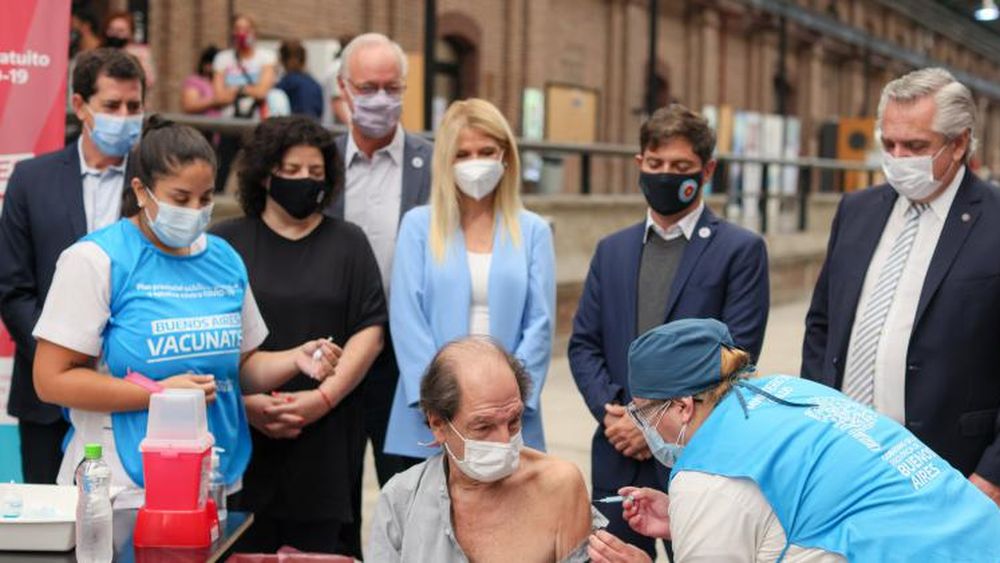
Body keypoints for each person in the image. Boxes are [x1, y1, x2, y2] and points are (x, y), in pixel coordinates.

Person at [30, 118, 341, 507]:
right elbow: (50, 380)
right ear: (142, 191)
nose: (195, 210)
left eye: (206, 198)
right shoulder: (95, 260)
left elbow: (239, 369)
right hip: (121, 484)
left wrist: (295, 359)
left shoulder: (223, 259)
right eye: (180, 198)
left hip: (213, 478)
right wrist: (159, 394)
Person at [586, 318, 1000, 562]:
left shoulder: (706, 476)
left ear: (681, 407)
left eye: (644, 412)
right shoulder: (788, 390)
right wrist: (687, 518)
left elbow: (729, 498)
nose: (642, 425)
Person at [568, 103, 769, 557]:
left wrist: (653, 427)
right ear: (639, 164)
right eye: (654, 165)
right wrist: (620, 417)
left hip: (696, 454)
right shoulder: (612, 251)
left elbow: (734, 355)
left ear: (707, 170)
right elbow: (584, 344)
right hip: (618, 450)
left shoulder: (740, 250)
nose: (664, 175)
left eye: (679, 167)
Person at [802, 67, 1000, 506]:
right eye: (888, 144)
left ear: (961, 142)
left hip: (952, 471)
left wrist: (992, 476)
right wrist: (814, 423)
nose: (898, 157)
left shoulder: (994, 222)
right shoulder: (857, 210)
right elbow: (821, 326)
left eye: (915, 146)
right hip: (843, 460)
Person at [212, 116, 385, 558]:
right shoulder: (224, 243)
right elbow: (209, 337)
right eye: (290, 171)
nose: (303, 181)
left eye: (315, 173)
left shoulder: (349, 242)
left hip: (326, 434)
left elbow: (370, 329)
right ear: (265, 172)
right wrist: (243, 406)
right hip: (241, 433)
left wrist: (322, 398)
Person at [0, 48, 145, 484]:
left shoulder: (155, 181)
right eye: (112, 106)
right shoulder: (32, 179)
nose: (124, 116)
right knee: (52, 527)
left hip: (133, 393)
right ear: (80, 105)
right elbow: (13, 287)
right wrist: (62, 357)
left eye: (134, 107)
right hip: (46, 400)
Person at [387, 98, 555, 460]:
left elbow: (539, 326)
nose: (475, 162)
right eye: (462, 154)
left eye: (486, 151)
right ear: (446, 161)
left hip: (509, 418)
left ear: (505, 156)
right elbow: (407, 319)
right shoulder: (418, 226)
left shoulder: (533, 231)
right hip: (431, 418)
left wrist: (508, 404)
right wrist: (440, 407)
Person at [369, 336, 591, 562]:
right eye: (484, 426)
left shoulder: (558, 487)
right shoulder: (401, 500)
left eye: (514, 420)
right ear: (438, 425)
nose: (505, 440)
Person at [323, 32, 433, 487]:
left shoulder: (433, 164)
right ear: (343, 89)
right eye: (368, 88)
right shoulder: (320, 164)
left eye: (392, 88)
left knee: (407, 492)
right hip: (333, 354)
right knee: (334, 494)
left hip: (406, 361)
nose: (380, 100)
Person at [212, 13, 277, 191]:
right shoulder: (223, 59)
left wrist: (235, 90)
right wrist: (249, 90)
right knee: (222, 168)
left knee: (258, 169)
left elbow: (263, 91)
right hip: (229, 122)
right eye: (238, 29)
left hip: (256, 122)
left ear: (254, 33)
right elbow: (218, 96)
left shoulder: (266, 57)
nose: (242, 33)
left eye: (246, 29)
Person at [103, 11, 157, 92]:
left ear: (131, 33)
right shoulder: (101, 52)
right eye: (111, 30)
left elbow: (149, 80)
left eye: (120, 31)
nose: (115, 34)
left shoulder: (141, 53)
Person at [276, 40, 324, 120]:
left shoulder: (285, 84)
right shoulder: (314, 84)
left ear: (282, 59)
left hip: (293, 128)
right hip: (314, 128)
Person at [181, 46, 224, 118]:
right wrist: (216, 101)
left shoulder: (225, 81)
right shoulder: (194, 81)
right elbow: (189, 105)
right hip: (202, 126)